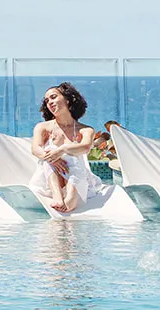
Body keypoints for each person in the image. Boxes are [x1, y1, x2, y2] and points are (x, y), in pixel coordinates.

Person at [28, 82, 105, 213]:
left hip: (75, 179)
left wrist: (62, 150)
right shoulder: (43, 127)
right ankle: (57, 195)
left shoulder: (85, 130)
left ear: (68, 100)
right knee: (48, 153)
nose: (49, 102)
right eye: (47, 101)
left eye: (53, 97)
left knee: (72, 156)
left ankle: (71, 198)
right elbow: (36, 149)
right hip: (49, 180)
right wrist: (53, 158)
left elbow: (85, 147)